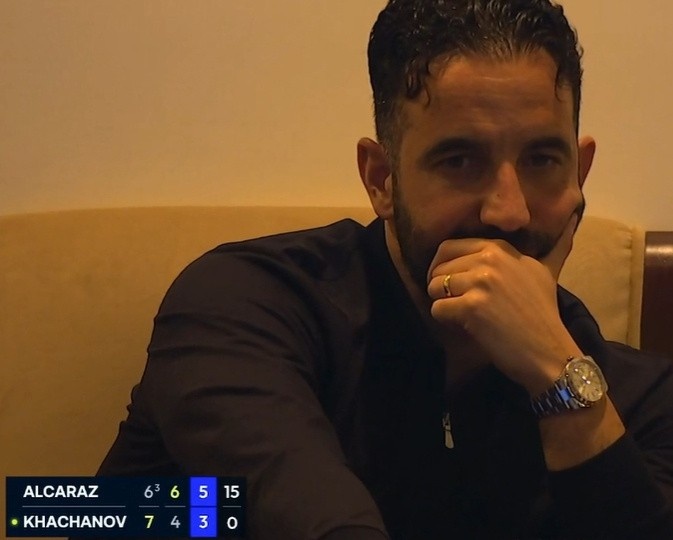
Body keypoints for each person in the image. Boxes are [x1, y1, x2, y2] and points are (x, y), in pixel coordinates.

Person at [97, 0, 673, 538]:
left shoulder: (639, 399)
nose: (509, 211)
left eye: (542, 159)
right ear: (381, 179)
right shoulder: (243, 305)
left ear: (579, 173)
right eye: (459, 160)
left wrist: (560, 382)